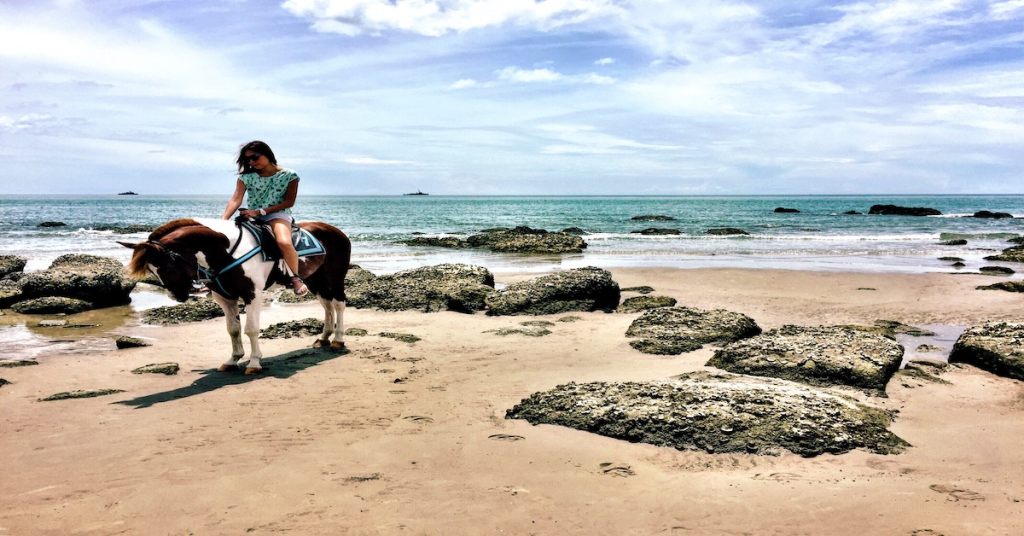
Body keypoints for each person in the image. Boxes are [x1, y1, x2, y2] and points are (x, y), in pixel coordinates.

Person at [221, 140, 308, 295]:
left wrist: (260, 211)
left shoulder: (289, 175)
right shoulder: (246, 177)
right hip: (251, 214)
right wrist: (223, 220)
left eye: (254, 157)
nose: (251, 162)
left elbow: (289, 202)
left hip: (277, 214)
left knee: (283, 242)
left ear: (267, 154)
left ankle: (295, 278)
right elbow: (236, 199)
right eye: (247, 159)